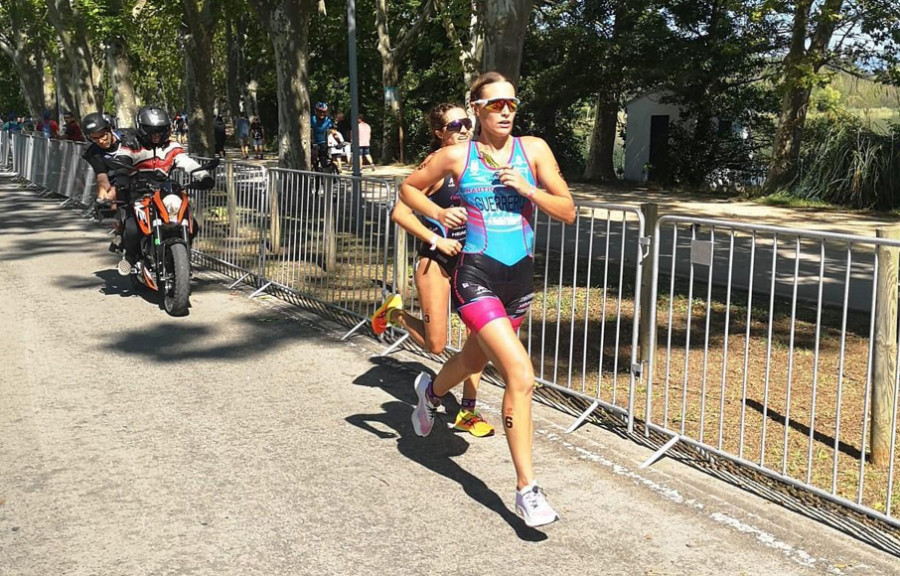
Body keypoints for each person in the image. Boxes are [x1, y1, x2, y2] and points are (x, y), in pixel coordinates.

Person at [398, 72, 575, 528]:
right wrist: (438, 213)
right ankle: (527, 490)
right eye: (495, 104)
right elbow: (407, 190)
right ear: (475, 108)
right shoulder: (456, 156)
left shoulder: (533, 151)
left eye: (512, 103)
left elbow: (568, 210)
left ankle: (431, 392)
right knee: (521, 374)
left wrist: (528, 189)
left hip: (519, 280)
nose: (506, 110)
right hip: (475, 276)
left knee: (473, 359)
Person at [372, 103, 493, 438]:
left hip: (472, 264)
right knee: (436, 346)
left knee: (478, 340)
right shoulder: (433, 166)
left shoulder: (476, 162)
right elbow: (401, 213)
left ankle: (467, 411)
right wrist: (436, 239)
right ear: (440, 132)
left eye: (467, 122)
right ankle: (396, 315)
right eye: (456, 124)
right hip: (436, 263)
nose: (465, 129)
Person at [113, 105, 214, 275]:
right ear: (142, 129)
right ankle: (130, 257)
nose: (157, 134)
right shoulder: (131, 144)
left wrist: (204, 176)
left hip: (163, 190)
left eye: (161, 130)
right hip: (138, 191)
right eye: (152, 130)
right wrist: (122, 176)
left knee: (192, 225)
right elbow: (122, 159)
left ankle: (181, 260)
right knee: (132, 228)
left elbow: (186, 162)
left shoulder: (171, 146)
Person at [80, 112, 140, 252]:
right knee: (108, 202)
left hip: (143, 176)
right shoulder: (92, 152)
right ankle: (119, 232)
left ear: (110, 129)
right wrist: (103, 195)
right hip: (118, 181)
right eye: (94, 138)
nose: (100, 141)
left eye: (102, 135)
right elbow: (101, 176)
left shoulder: (131, 138)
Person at [310, 101, 334, 167]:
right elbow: (310, 131)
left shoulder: (328, 120)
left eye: (324, 112)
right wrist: (312, 141)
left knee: (324, 160)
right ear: (316, 111)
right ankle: (311, 167)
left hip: (323, 142)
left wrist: (340, 142)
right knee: (314, 156)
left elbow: (333, 131)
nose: (322, 114)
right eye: (320, 112)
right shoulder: (312, 119)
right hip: (313, 142)